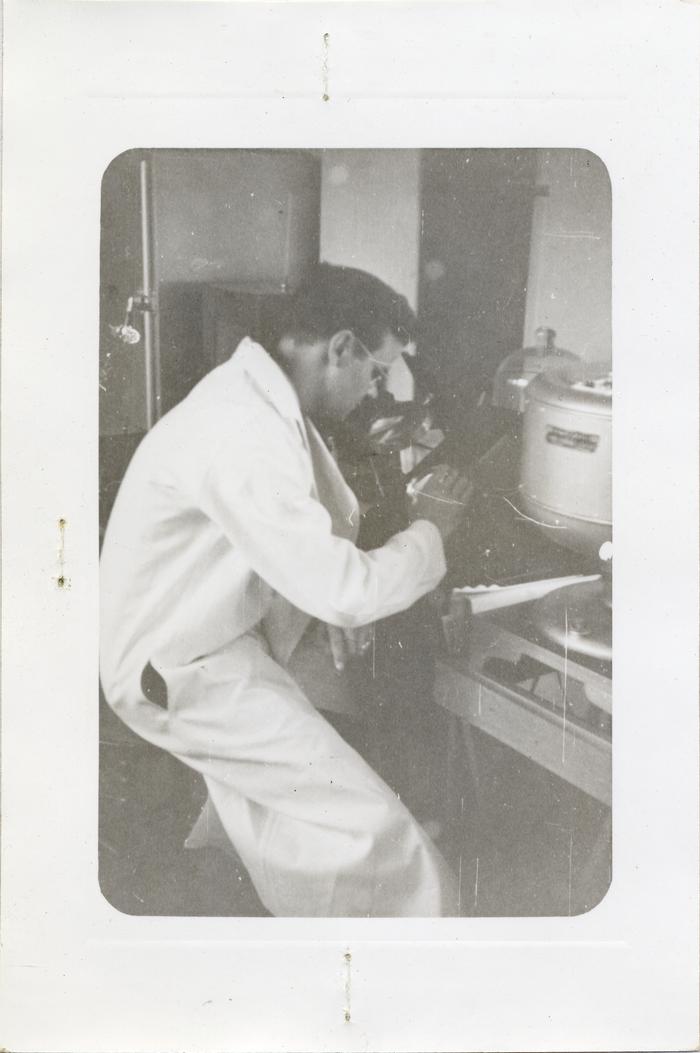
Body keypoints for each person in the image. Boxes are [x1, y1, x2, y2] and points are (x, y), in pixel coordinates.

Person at [100, 263, 472, 917]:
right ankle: (434, 959)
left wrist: (325, 593)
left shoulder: (255, 401)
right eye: (377, 373)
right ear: (343, 348)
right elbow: (343, 589)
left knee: (289, 813)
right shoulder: (243, 427)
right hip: (179, 668)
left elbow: (297, 540)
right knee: (368, 826)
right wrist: (430, 532)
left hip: (205, 640)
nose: (373, 391)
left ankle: (303, 929)